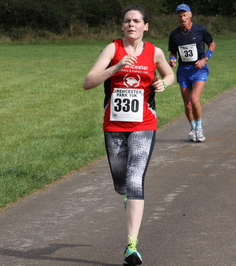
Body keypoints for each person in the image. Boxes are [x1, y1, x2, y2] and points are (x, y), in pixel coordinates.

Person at [83, 5, 174, 265]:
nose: (131, 24)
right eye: (127, 21)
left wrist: (162, 83)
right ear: (122, 26)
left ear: (146, 26)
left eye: (136, 21)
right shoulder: (112, 49)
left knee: (135, 181)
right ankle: (128, 196)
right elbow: (88, 82)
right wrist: (116, 67)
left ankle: (131, 246)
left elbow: (169, 74)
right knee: (121, 184)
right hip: (113, 127)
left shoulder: (154, 52)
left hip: (144, 124)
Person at [168, 4, 216, 142]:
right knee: (187, 104)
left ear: (190, 15)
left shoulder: (200, 30)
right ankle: (193, 128)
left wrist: (205, 58)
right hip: (183, 71)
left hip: (199, 69)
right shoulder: (174, 34)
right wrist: (172, 59)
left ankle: (199, 128)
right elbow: (172, 52)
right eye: (180, 16)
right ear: (177, 18)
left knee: (194, 99)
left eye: (184, 15)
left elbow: (212, 44)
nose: (182, 18)